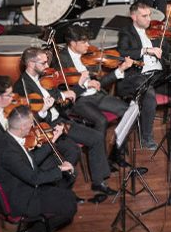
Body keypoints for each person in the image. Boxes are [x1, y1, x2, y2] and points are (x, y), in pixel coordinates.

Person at [17, 46, 115, 196]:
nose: (47, 66)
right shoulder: (21, 87)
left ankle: (98, 181)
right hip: (46, 129)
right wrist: (43, 110)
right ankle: (64, 192)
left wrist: (80, 86)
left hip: (61, 121)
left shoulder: (44, 79)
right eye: (43, 63)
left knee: (96, 137)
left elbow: (60, 96)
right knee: (72, 150)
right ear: (30, 64)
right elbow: (27, 120)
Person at [0, 105, 79, 232]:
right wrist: (60, 168)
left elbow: (31, 162)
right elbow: (34, 177)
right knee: (69, 207)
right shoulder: (9, 152)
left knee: (68, 196)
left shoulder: (10, 139)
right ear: (23, 126)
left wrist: (52, 140)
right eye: (31, 123)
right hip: (21, 199)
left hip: (22, 188)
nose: (33, 126)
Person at [117, 1, 171, 150]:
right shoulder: (126, 33)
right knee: (149, 96)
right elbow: (122, 52)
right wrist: (146, 50)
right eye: (144, 16)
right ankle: (146, 138)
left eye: (149, 15)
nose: (149, 19)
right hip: (138, 76)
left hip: (159, 75)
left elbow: (170, 57)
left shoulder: (157, 33)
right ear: (133, 16)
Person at [57, 25, 132, 137]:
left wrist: (120, 69)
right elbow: (62, 87)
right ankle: (99, 152)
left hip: (96, 95)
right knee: (101, 121)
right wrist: (86, 83)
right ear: (72, 43)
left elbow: (100, 82)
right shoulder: (60, 59)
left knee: (127, 111)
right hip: (78, 100)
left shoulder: (90, 55)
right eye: (84, 42)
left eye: (88, 41)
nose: (88, 45)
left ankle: (117, 150)